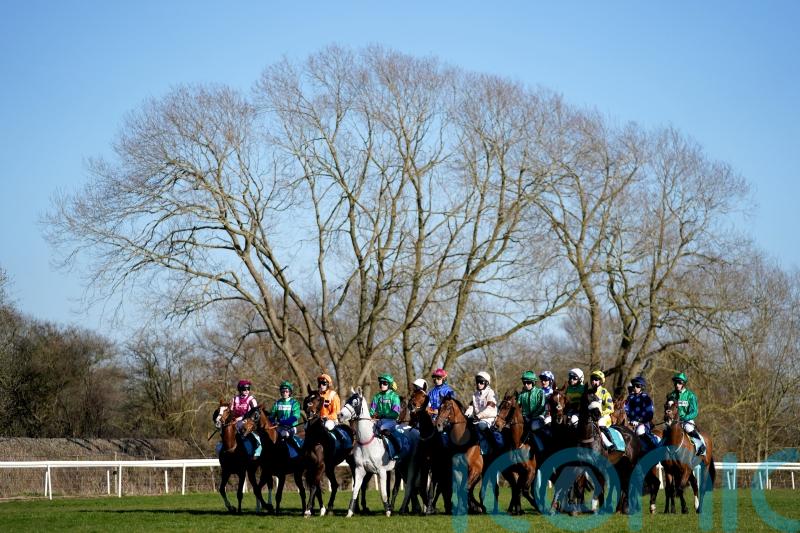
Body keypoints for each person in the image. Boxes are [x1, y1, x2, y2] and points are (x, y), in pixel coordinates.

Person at [666, 372, 705, 455]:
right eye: (676, 382)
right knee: (666, 431)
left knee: (689, 428)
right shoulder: (671, 395)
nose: (677, 385)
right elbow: (668, 408)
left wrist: (685, 418)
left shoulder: (690, 395)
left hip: (686, 421)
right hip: (673, 421)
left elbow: (694, 411)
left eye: (679, 383)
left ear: (683, 384)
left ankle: (701, 446)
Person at [370, 373, 403, 458]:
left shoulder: (394, 397)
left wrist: (382, 415)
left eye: (385, 383)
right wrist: (371, 415)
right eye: (380, 383)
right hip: (378, 421)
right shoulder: (377, 396)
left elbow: (395, 413)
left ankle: (397, 448)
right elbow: (372, 410)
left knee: (382, 428)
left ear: (390, 385)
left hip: (391, 421)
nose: (382, 385)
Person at [464, 371, 497, 450]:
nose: (479, 384)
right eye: (477, 382)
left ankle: (491, 447)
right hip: (478, 418)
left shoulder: (490, 393)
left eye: (481, 382)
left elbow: (490, 408)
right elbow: (471, 407)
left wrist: (479, 416)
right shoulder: (475, 394)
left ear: (487, 383)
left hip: (489, 418)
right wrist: (465, 415)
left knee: (482, 425)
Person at [228, 379, 260, 454]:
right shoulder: (234, 399)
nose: (246, 391)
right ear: (240, 389)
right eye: (244, 389)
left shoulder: (251, 399)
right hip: (235, 421)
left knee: (243, 427)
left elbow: (255, 412)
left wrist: (244, 419)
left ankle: (256, 444)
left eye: (248, 389)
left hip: (247, 421)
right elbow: (231, 411)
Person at [270, 381, 302, 456]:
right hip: (279, 427)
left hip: (291, 427)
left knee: (285, 434)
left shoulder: (294, 403)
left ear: (290, 392)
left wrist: (282, 422)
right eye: (283, 391)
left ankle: (297, 453)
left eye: (286, 391)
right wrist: (273, 422)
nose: (284, 393)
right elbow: (272, 416)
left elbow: (295, 417)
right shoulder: (277, 403)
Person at [587, 370, 615, 451]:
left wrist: (601, 413)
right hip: (591, 416)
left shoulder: (605, 393)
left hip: (603, 417)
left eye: (596, 379)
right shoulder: (588, 392)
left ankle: (609, 443)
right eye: (592, 379)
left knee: (599, 423)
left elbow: (610, 408)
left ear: (601, 381)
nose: (593, 381)